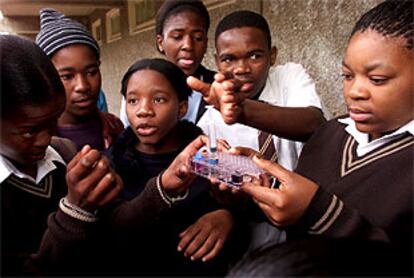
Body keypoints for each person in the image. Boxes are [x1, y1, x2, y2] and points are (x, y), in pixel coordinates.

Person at [229, 0, 413, 275]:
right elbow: (299, 224)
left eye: (377, 79)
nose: (354, 92)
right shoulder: (331, 133)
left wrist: (320, 211)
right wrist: (271, 187)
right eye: (347, 75)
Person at [191, 10, 326, 252]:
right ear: (216, 62)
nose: (242, 69)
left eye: (254, 56)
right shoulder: (209, 123)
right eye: (229, 59)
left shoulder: (289, 77)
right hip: (258, 226)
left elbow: (314, 124)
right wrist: (229, 197)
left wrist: (241, 109)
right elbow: (218, 186)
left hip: (313, 212)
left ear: (272, 56)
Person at [105, 58, 246, 276]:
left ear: (182, 107)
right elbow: (109, 230)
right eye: (133, 101)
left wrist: (228, 216)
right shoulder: (111, 164)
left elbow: (250, 206)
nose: (144, 111)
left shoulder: (209, 154)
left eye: (159, 99)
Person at [0, 34, 123, 276]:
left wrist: (162, 188)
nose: (45, 140)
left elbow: (113, 230)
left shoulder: (64, 151)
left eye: (52, 121)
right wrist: (74, 212)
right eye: (28, 131)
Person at [36, 8, 124, 151]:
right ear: (46, 78)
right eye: (67, 76)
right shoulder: (37, 141)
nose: (82, 86)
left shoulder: (115, 127)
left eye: (91, 72)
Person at [120, 0, 215, 126]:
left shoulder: (218, 88)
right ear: (160, 43)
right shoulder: (138, 85)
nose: (188, 46)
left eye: (198, 38)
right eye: (177, 36)